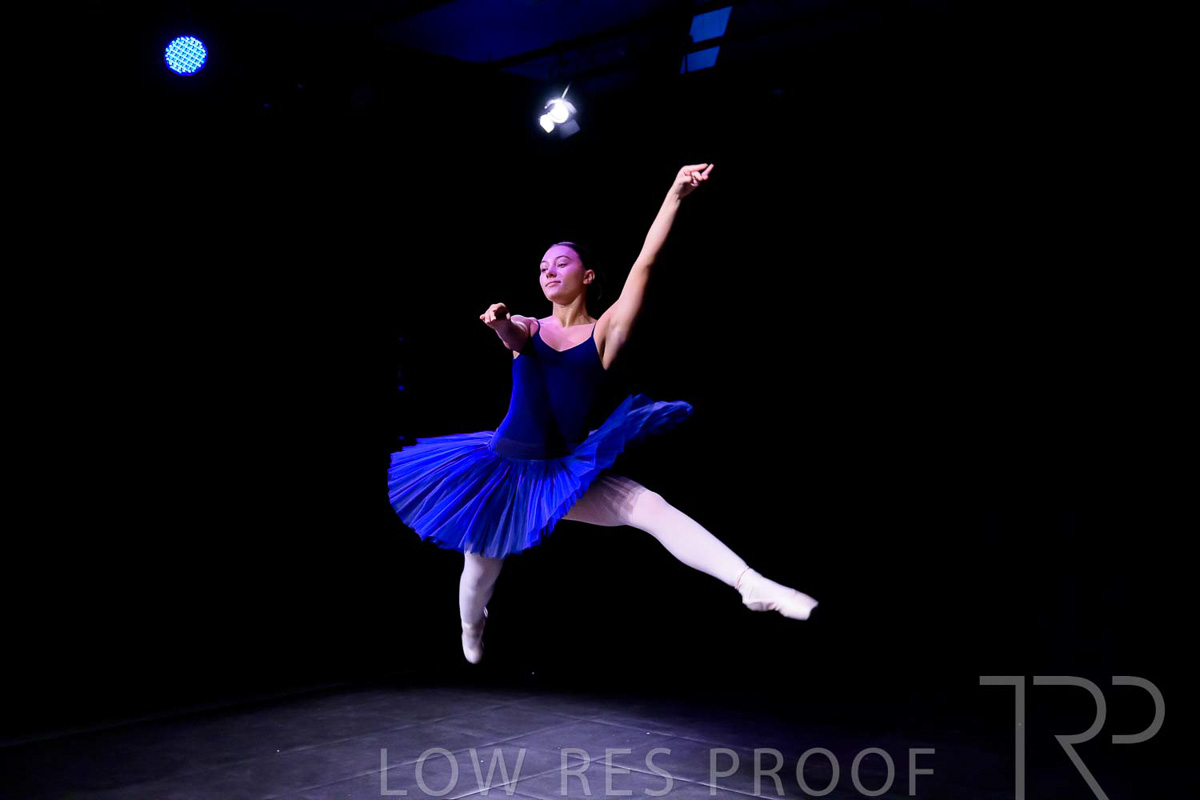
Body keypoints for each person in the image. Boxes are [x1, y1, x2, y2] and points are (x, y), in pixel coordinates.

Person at [387, 163, 818, 664]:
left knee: (650, 507)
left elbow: (645, 264)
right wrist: (499, 323)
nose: (549, 271)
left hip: (564, 471)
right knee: (479, 573)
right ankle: (472, 624)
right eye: (543, 267)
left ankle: (751, 584)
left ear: (587, 276)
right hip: (503, 471)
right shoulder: (529, 327)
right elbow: (513, 334)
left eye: (561, 263)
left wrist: (675, 194)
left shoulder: (604, 333)